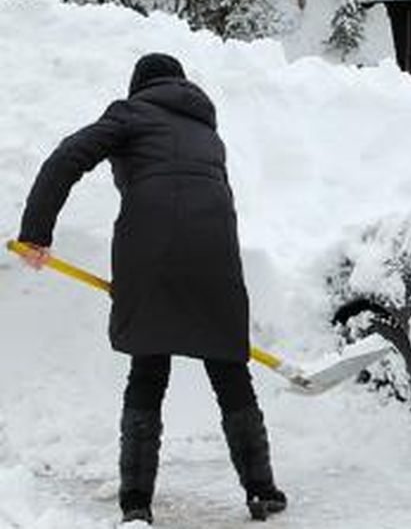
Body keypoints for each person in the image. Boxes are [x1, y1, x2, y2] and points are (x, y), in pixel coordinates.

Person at [16, 54, 287, 525]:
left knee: (148, 367)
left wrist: (36, 232)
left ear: (139, 85)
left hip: (150, 249)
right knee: (228, 368)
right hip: (216, 251)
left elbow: (68, 156)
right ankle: (262, 491)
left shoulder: (130, 112)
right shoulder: (207, 133)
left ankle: (137, 504)